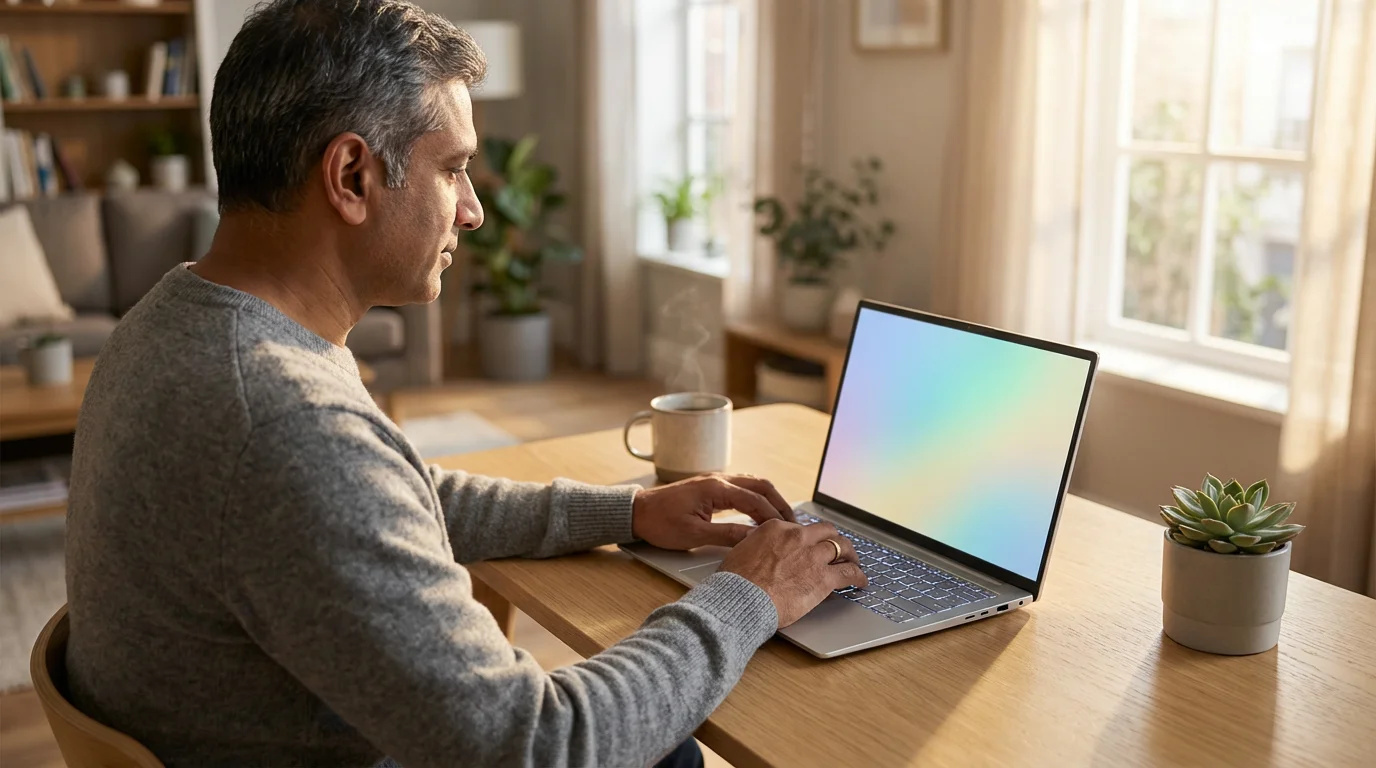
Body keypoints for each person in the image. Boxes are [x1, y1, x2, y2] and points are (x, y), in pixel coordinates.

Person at [62, 1, 867, 766]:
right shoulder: (281, 424)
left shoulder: (177, 321)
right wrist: (749, 594)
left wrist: (626, 511)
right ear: (351, 175)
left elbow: (387, 497)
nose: (474, 211)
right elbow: (542, 748)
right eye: (453, 170)